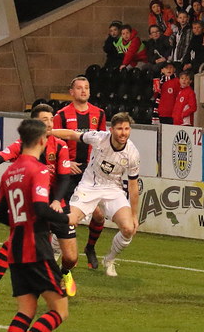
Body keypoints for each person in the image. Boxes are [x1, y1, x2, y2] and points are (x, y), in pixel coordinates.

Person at [0, 118, 73, 332]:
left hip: (16, 248)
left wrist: (19, 224)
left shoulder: (9, 172)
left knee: (25, 310)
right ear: (42, 141)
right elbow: (40, 208)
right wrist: (66, 219)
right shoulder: (38, 170)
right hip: (36, 247)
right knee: (59, 310)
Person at [0, 104, 74, 302]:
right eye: (45, 120)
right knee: (12, 243)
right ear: (35, 123)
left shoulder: (60, 145)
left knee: (71, 257)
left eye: (51, 119)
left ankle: (65, 272)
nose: (50, 123)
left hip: (55, 203)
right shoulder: (22, 146)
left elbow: (64, 178)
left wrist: (55, 201)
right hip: (33, 206)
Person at [52, 112, 141, 278]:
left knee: (129, 229)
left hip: (113, 190)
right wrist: (49, 132)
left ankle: (109, 259)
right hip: (89, 186)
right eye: (120, 128)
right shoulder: (99, 137)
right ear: (111, 129)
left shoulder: (132, 153)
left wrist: (134, 215)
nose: (124, 133)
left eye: (127, 129)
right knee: (68, 221)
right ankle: (55, 253)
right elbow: (72, 134)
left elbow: (133, 186)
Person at [53, 76, 108, 269]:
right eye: (79, 88)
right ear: (72, 92)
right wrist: (66, 162)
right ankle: (58, 252)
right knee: (69, 217)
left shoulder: (99, 114)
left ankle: (90, 248)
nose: (83, 91)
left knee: (100, 216)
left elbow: (102, 142)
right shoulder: (61, 115)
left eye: (86, 87)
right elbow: (54, 143)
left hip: (90, 172)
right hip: (68, 171)